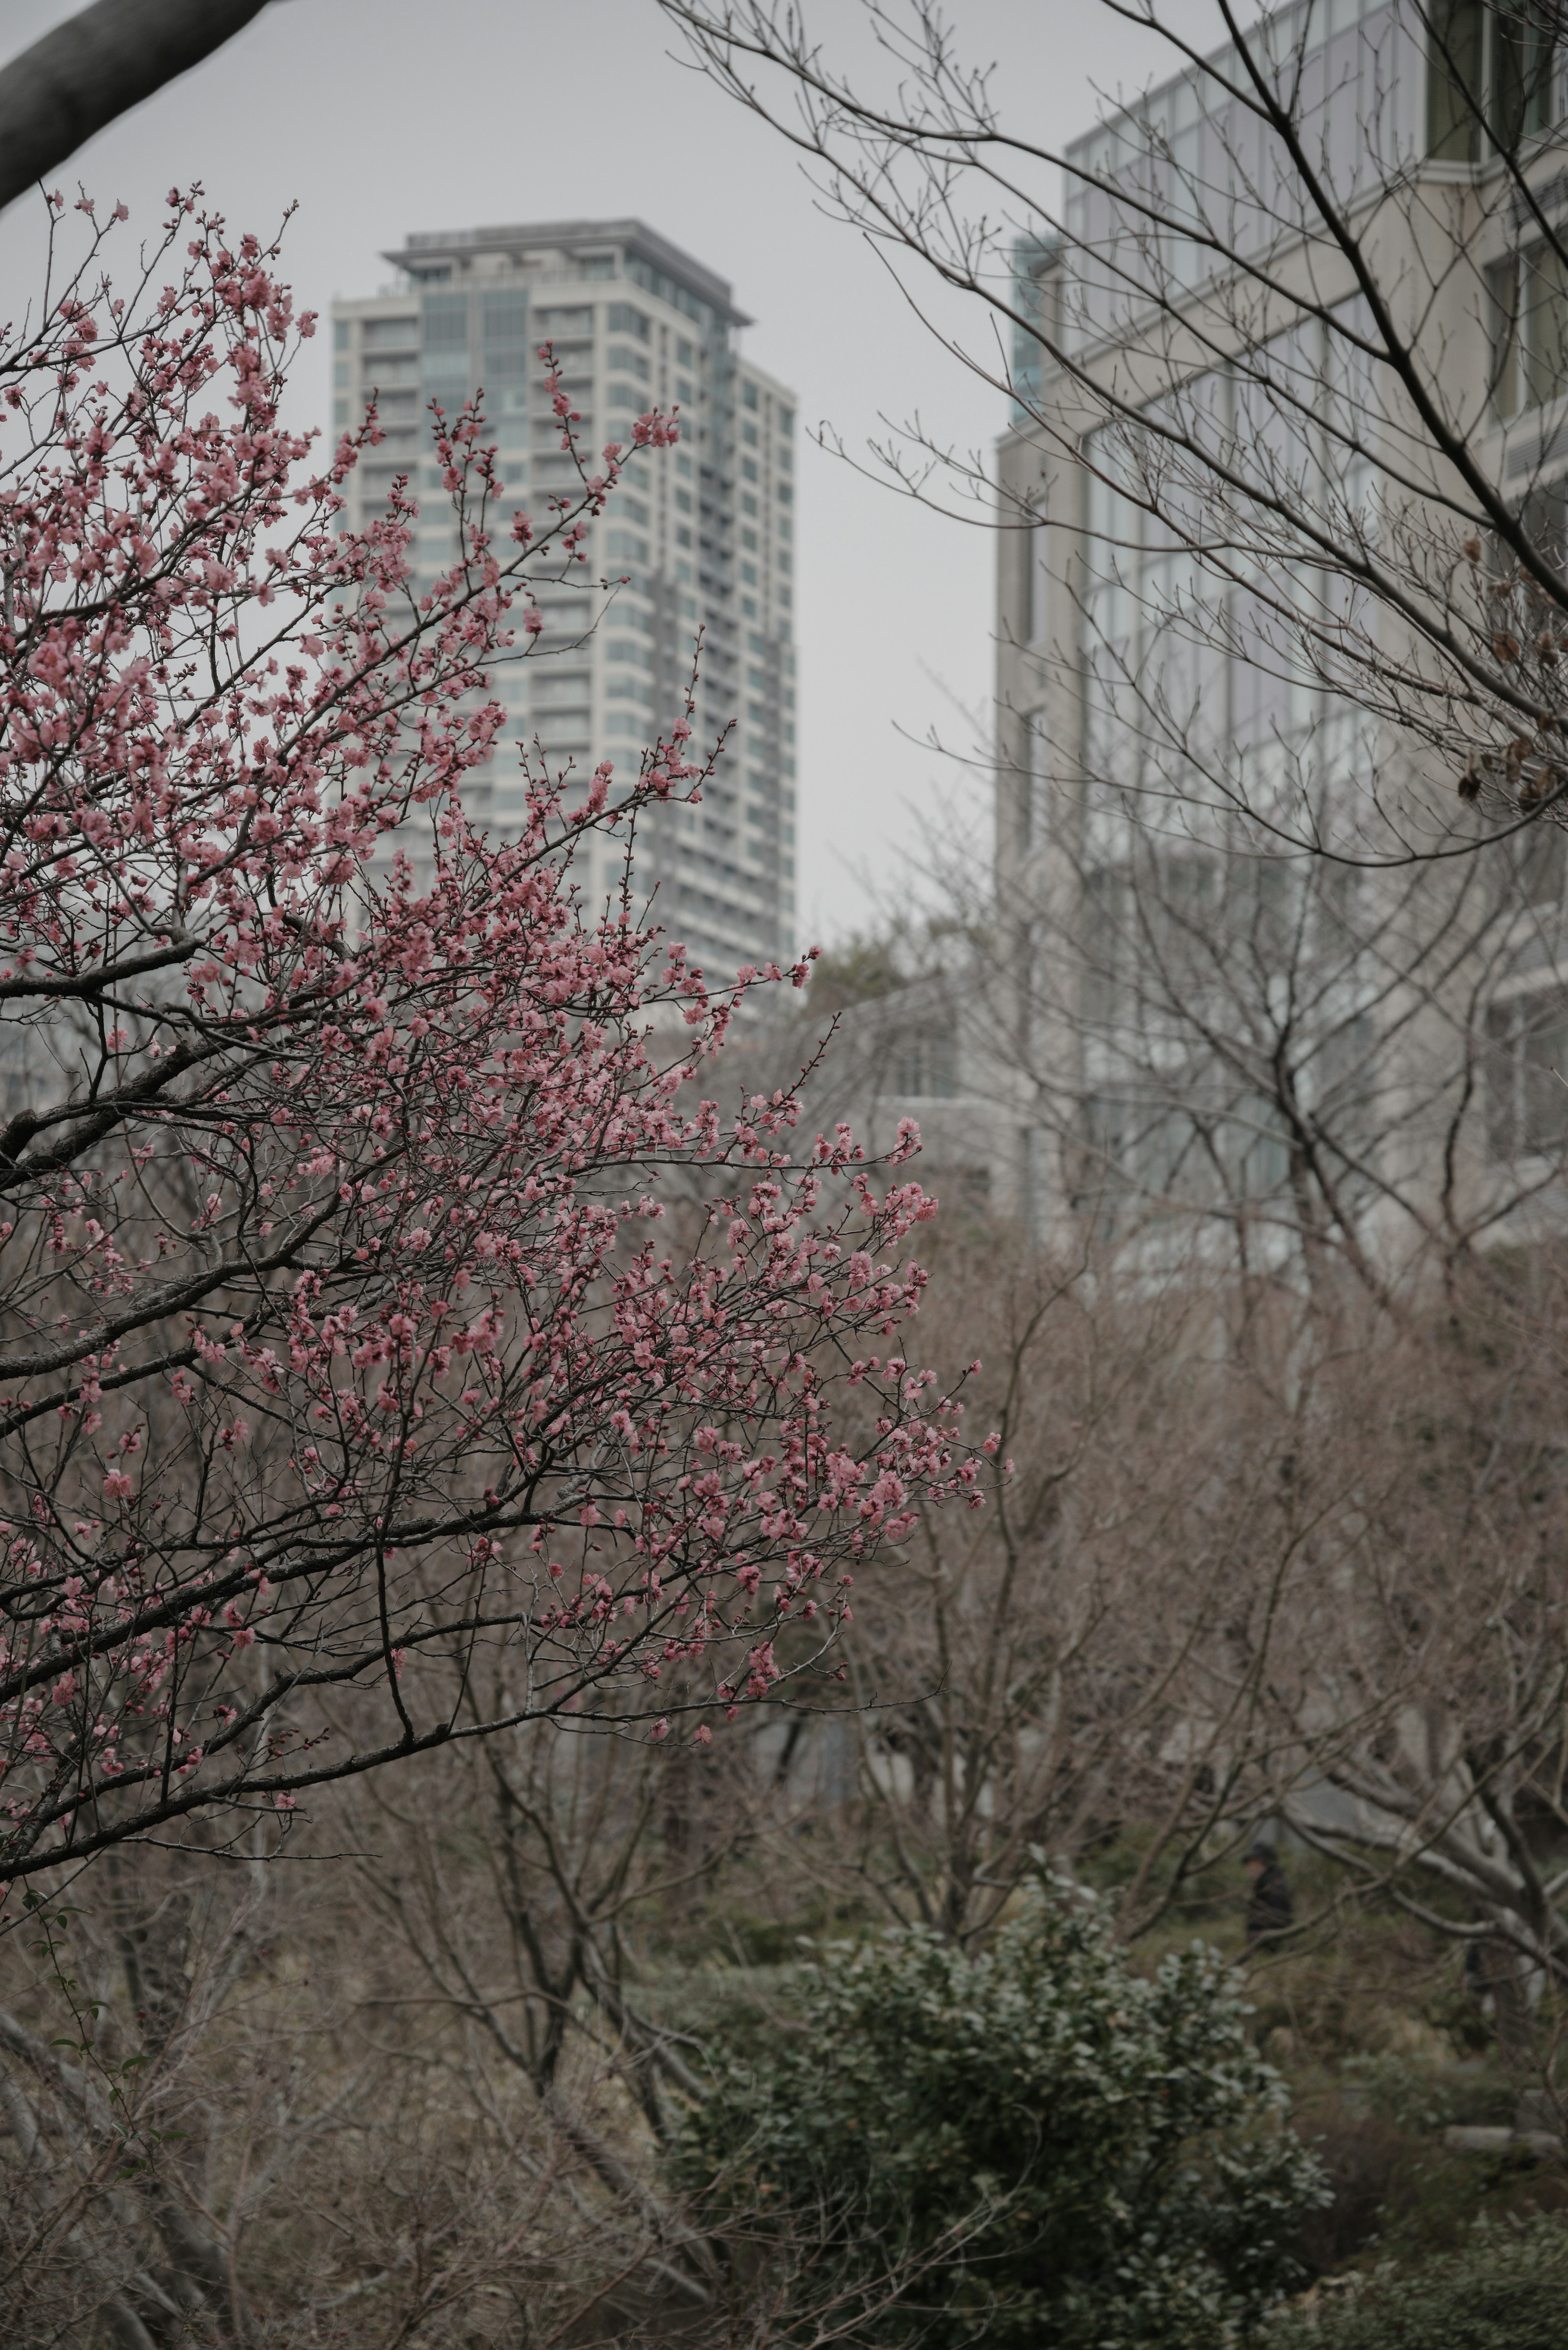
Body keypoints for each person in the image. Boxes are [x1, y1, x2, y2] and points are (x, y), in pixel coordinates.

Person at [1244, 1839, 1293, 1944]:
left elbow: (1277, 1919)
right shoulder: (1263, 1884)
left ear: (1264, 1863)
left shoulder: (1273, 1886)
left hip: (1272, 1945)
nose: (1250, 1867)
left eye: (1253, 1862)